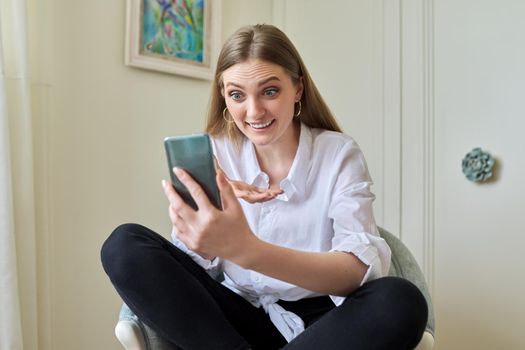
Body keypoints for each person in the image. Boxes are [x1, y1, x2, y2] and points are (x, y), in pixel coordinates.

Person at [101, 24, 428, 350]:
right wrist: (203, 232)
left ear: (297, 88)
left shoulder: (338, 153)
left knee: (400, 300)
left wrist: (246, 249)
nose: (254, 112)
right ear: (223, 95)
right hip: (232, 327)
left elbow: (355, 273)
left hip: (324, 328)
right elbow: (191, 273)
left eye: (270, 91)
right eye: (237, 95)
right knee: (124, 245)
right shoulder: (215, 153)